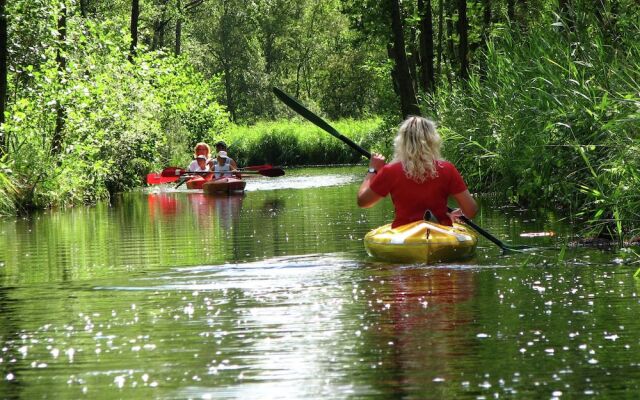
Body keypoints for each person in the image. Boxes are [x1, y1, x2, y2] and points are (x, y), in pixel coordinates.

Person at [357, 116, 477, 227]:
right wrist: (459, 212)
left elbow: (363, 202)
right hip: (440, 231)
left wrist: (373, 170)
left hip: (404, 234)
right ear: (433, 140)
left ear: (402, 141)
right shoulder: (447, 168)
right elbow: (471, 210)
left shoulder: (390, 171)